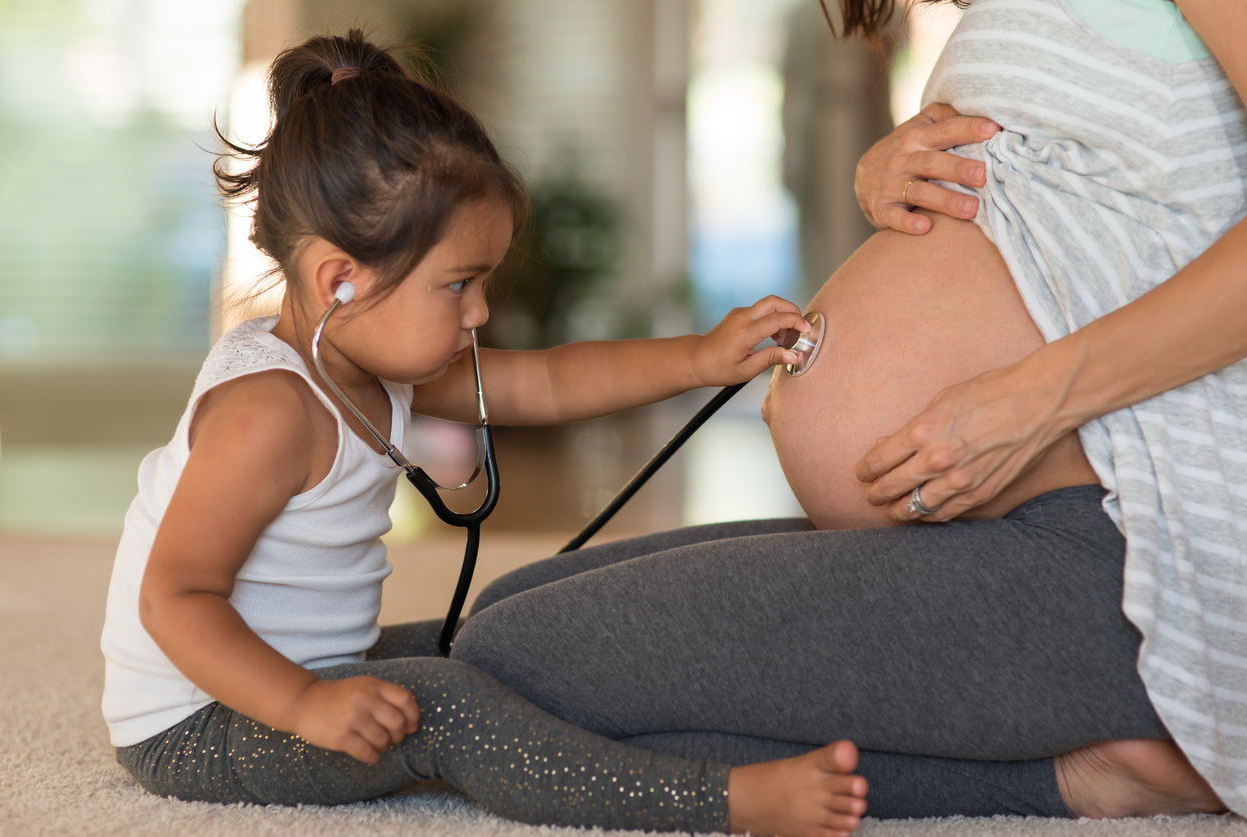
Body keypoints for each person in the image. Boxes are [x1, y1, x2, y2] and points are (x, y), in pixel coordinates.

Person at [449, 0, 1246, 825]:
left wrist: (1035, 399)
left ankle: (1080, 780)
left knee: (515, 663)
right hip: (999, 529)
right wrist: (893, 173)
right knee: (509, 606)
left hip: (1135, 552)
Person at [98, 30, 874, 837]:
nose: (481, 312)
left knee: (503, 642)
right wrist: (306, 704)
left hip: (315, 671)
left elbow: (544, 380)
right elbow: (174, 597)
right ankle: (723, 800)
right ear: (341, 279)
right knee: (450, 709)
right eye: (458, 285)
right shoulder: (267, 414)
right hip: (199, 722)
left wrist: (701, 357)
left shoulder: (367, 357)